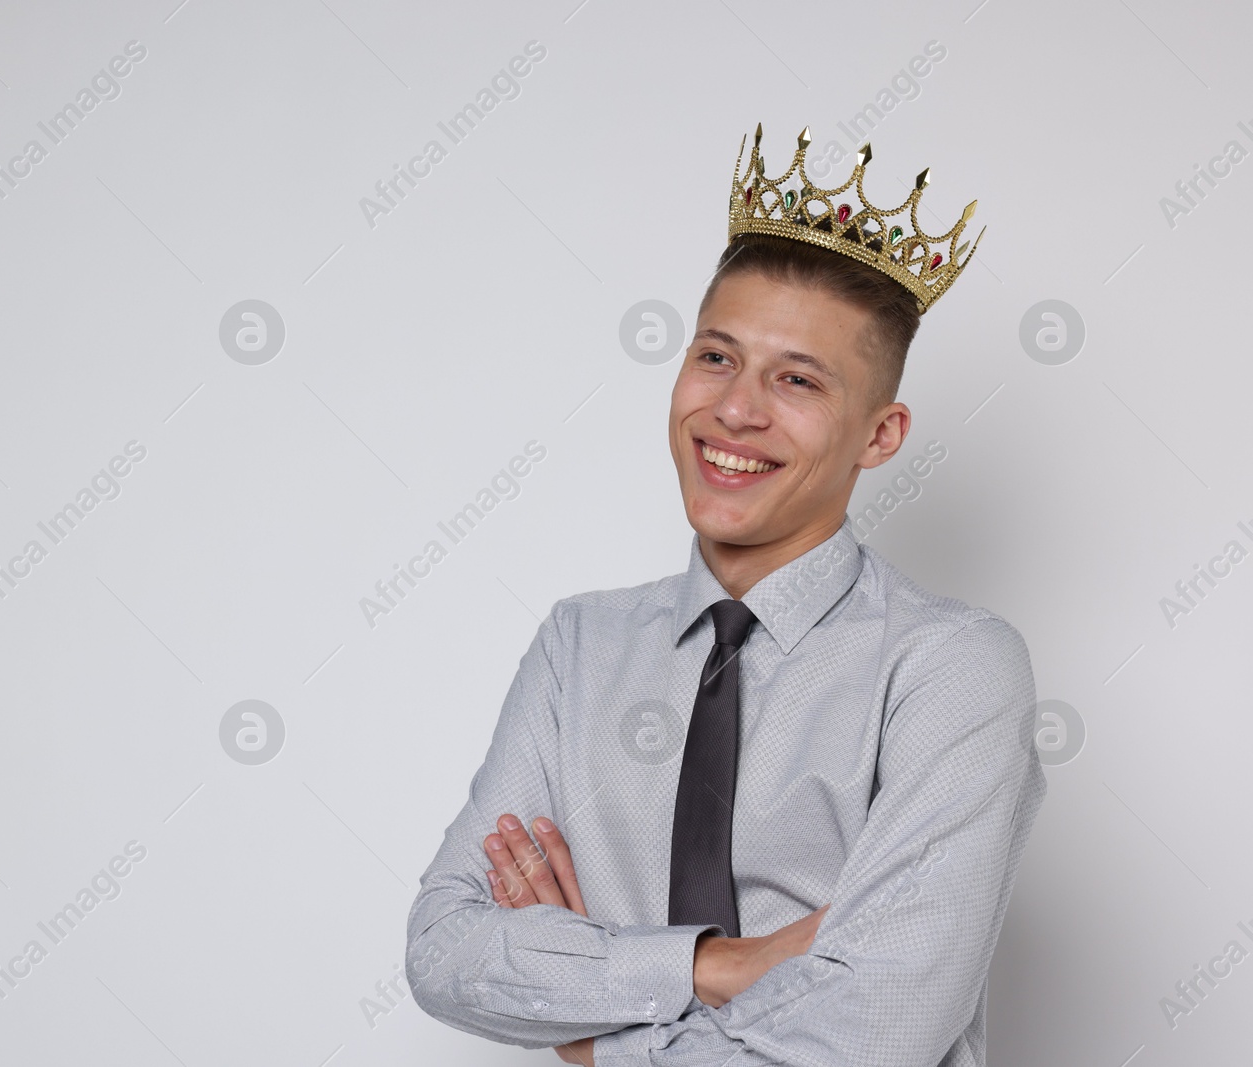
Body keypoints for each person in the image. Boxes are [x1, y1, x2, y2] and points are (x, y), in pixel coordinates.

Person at [404, 125, 1045, 1066]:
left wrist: (591, 1041)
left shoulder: (952, 669)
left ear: (881, 434)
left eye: (797, 379)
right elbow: (441, 948)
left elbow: (874, 1028)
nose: (736, 410)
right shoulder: (578, 645)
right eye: (716, 357)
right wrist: (719, 964)